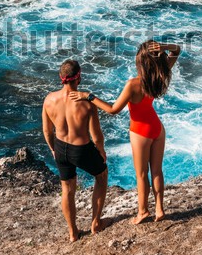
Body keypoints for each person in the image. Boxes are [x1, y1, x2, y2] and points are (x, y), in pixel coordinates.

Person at [69, 40, 180, 225]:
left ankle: (143, 212)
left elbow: (113, 109)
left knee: (142, 174)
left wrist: (88, 96)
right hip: (157, 127)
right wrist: (165, 47)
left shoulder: (133, 84)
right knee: (157, 171)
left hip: (140, 131)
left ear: (141, 62)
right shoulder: (160, 75)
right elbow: (177, 50)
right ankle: (160, 209)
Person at [42, 60, 108, 242]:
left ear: (61, 78)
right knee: (101, 175)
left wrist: (53, 150)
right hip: (81, 149)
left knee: (68, 189)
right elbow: (96, 135)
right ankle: (96, 223)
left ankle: (73, 232)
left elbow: (47, 131)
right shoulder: (86, 102)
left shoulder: (49, 99)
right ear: (78, 77)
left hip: (61, 148)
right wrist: (101, 150)